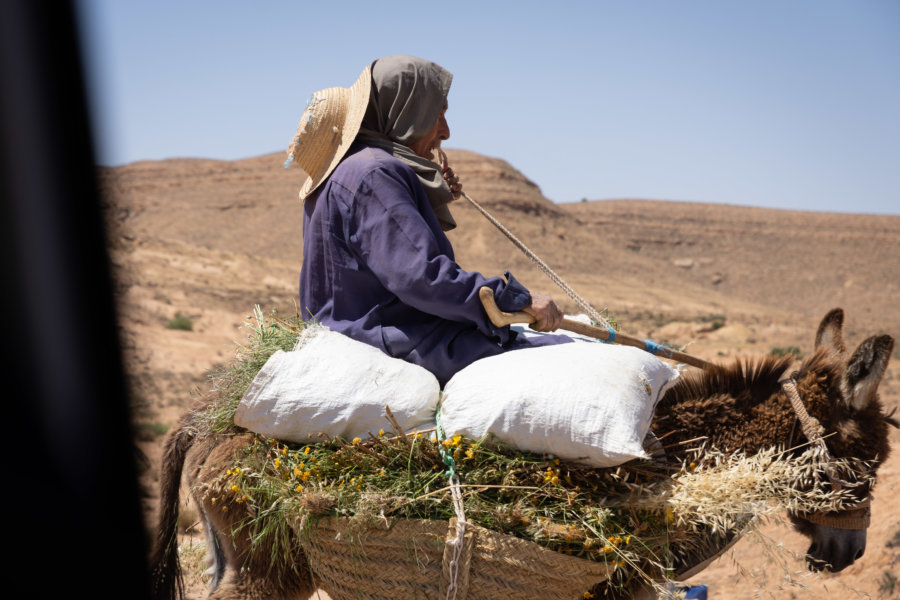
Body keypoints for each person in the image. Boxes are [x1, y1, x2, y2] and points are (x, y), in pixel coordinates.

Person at [286, 55, 571, 386]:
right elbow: (422, 278)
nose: (446, 132)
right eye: (438, 115)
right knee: (568, 356)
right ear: (408, 112)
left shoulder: (349, 170)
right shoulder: (376, 173)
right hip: (393, 342)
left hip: (359, 334)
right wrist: (516, 300)